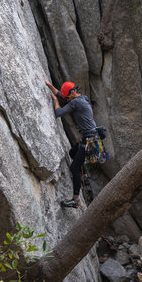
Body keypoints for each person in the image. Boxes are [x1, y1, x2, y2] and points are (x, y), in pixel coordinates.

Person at [45, 79, 96, 208]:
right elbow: (63, 95)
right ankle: (83, 174)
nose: (66, 100)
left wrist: (56, 102)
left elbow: (59, 113)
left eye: (68, 97)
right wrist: (49, 85)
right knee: (73, 152)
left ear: (73, 93)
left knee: (74, 168)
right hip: (91, 136)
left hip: (89, 139)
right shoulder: (82, 97)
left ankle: (75, 200)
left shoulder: (76, 102)